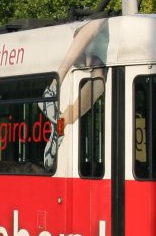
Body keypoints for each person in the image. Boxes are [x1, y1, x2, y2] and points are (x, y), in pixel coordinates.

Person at [39, 18, 110, 170]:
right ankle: (54, 86)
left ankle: (60, 124)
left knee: (99, 80)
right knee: (100, 20)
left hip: (90, 50)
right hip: (83, 39)